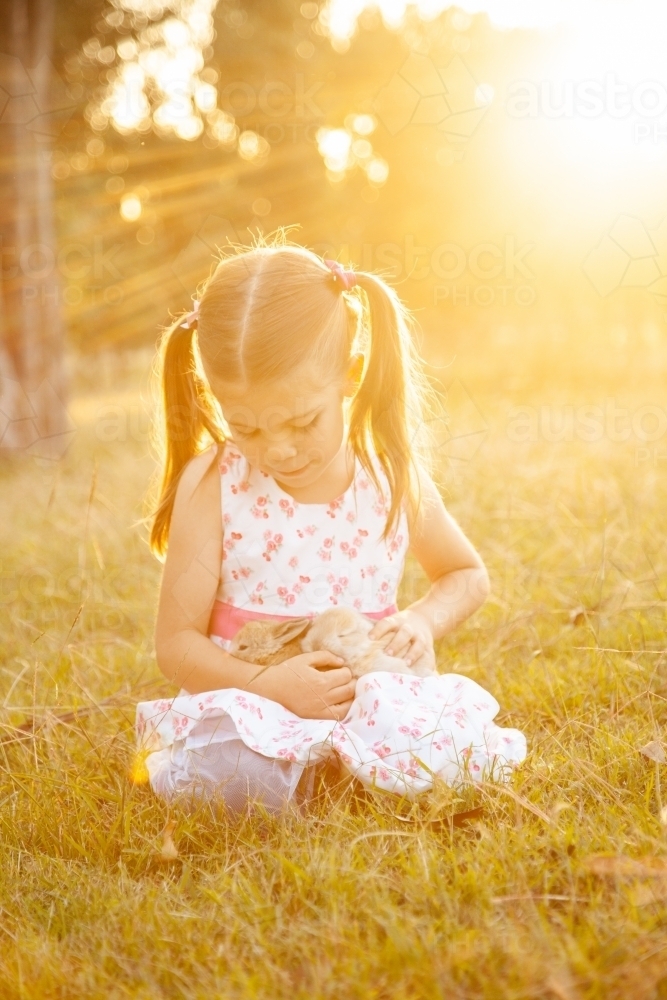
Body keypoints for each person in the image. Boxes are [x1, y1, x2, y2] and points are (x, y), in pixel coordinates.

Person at [136, 236, 526, 812]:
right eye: (247, 428)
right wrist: (267, 686)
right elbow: (176, 645)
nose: (279, 451)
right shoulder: (215, 483)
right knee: (232, 767)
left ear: (351, 374)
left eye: (301, 421)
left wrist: (421, 620)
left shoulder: (387, 475)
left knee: (443, 743)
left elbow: (465, 575)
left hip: (368, 691)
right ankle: (322, 776)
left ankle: (352, 769)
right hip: (256, 691)